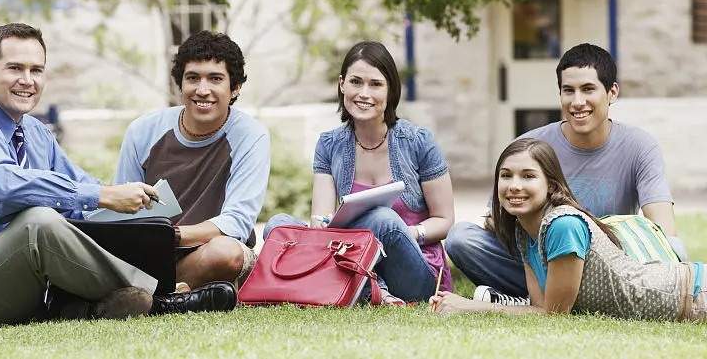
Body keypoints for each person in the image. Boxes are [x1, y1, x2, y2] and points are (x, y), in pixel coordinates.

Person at [0, 23, 236, 332]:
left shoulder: (36, 134)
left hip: (28, 286)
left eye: (36, 70)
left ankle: (91, 306)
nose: (27, 80)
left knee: (89, 217)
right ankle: (163, 297)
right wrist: (100, 195)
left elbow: (82, 199)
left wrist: (132, 209)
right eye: (15, 68)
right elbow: (3, 190)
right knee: (38, 224)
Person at [445, 43, 687, 302]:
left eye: (588, 89)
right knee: (462, 239)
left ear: (612, 92)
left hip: (608, 267)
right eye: (568, 91)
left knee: (675, 250)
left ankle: (544, 298)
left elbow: (662, 229)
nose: (577, 101)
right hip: (540, 261)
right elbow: (497, 219)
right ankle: (552, 295)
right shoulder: (533, 144)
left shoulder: (639, 145)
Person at [430, 138, 705, 322]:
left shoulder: (563, 224)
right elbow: (538, 307)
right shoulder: (524, 231)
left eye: (528, 176)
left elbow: (553, 315)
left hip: (692, 294)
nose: (514, 185)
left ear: (550, 185)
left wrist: (470, 306)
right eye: (506, 175)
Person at [264, 41, 455, 305]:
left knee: (383, 219)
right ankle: (371, 291)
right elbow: (320, 219)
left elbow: (444, 220)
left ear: (390, 90)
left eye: (375, 84)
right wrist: (322, 222)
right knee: (278, 226)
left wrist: (403, 232)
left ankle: (370, 290)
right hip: (354, 257)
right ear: (342, 84)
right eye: (356, 82)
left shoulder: (418, 140)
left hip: (415, 271)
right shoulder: (329, 144)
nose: (364, 93)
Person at [114, 30, 271, 291]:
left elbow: (237, 222)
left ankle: (151, 293)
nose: (202, 89)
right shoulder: (143, 131)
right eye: (193, 78)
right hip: (147, 255)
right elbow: (120, 211)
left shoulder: (251, 135)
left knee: (228, 253)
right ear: (180, 85)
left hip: (207, 251)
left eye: (215, 79)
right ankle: (174, 293)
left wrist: (170, 236)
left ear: (235, 88)